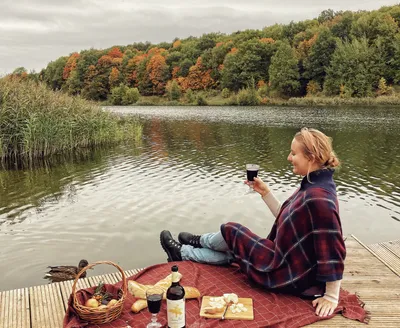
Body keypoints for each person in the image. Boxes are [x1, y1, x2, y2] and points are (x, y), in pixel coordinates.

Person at [160, 127, 346, 318]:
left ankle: (191, 246)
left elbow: (333, 250)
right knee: (236, 250)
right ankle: (185, 251)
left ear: (312, 157)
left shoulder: (319, 198)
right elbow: (288, 220)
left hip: (288, 274)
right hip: (284, 259)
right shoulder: (313, 184)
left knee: (233, 231)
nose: (289, 158)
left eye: (293, 153)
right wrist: (266, 193)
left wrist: (331, 296)